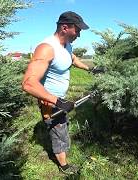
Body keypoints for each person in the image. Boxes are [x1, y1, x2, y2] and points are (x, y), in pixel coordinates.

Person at [22, 11, 95, 175]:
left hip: (58, 99)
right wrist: (57, 101)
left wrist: (91, 69)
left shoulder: (67, 45)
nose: (79, 35)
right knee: (58, 130)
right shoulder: (46, 48)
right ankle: (64, 166)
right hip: (49, 101)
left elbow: (72, 58)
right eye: (77, 30)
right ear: (64, 27)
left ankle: (59, 145)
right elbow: (28, 83)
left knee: (61, 125)